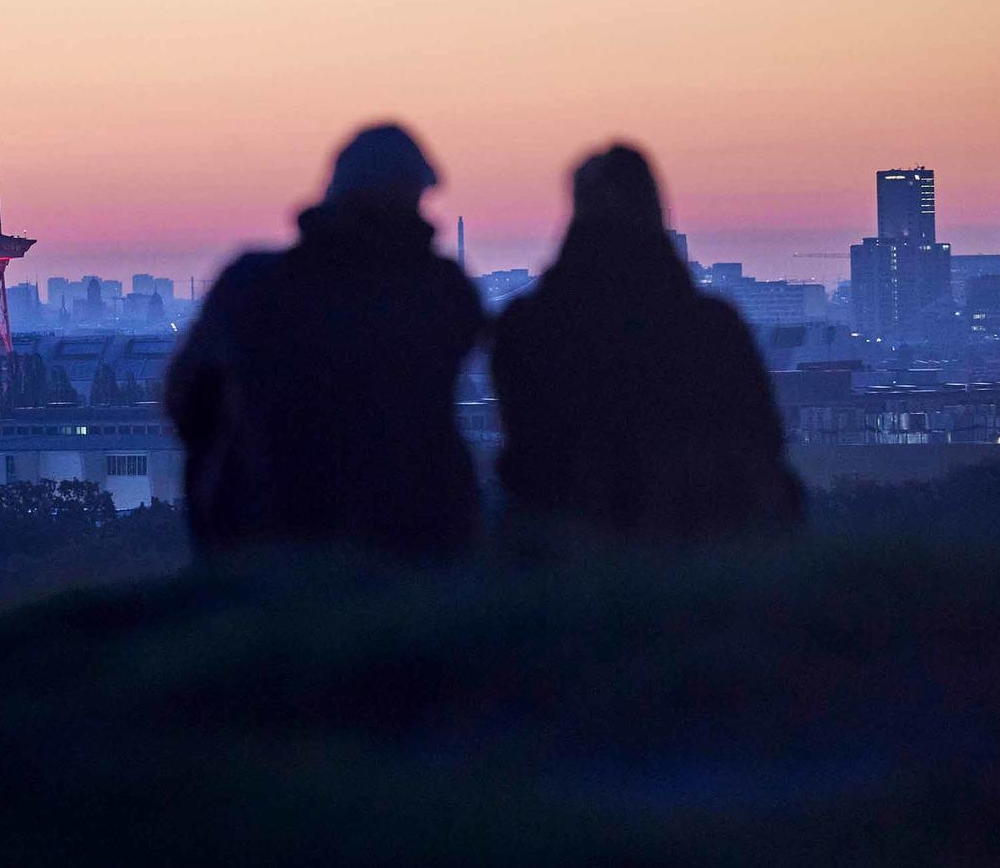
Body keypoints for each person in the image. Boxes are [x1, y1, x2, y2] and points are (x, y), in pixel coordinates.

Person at [165, 123, 483, 560]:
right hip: (414, 537)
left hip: (269, 531)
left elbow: (187, 403)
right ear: (416, 196)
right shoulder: (444, 292)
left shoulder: (252, 286)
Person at [490, 144, 802, 549]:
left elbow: (525, 460)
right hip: (701, 557)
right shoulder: (709, 327)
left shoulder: (529, 325)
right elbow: (761, 445)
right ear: (656, 212)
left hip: (568, 567)